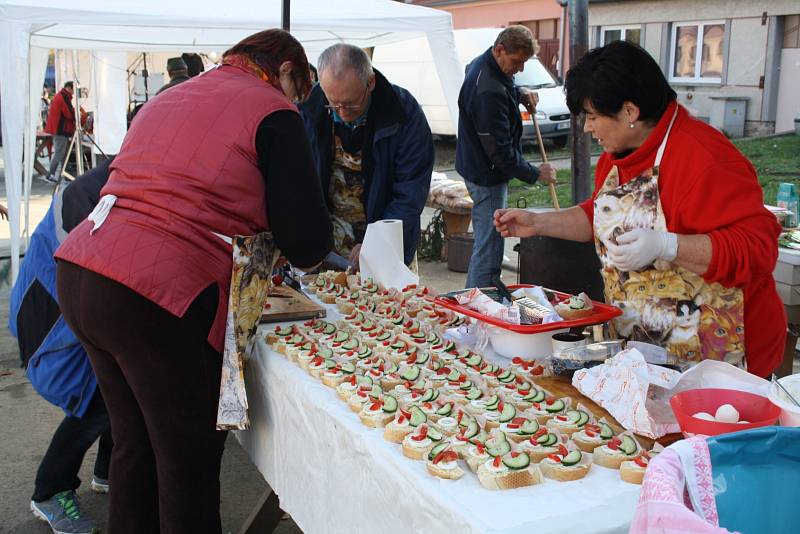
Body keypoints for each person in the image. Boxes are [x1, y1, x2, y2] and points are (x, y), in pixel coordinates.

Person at [54, 29, 333, 533]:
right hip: (154, 292)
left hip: (84, 266)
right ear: (288, 71)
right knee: (187, 461)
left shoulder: (175, 95)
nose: (298, 102)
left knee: (134, 443)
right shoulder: (272, 108)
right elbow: (307, 241)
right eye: (302, 90)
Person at [494, 40, 785, 377]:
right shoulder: (619, 153)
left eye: (592, 116)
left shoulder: (705, 159)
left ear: (629, 111)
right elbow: (603, 214)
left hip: (719, 358)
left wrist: (667, 245)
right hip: (647, 346)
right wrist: (540, 223)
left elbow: (759, 249)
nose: (587, 128)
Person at [10, 161, 115, 534]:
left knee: (122, 384)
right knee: (97, 400)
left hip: (71, 305)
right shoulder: (93, 193)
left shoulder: (126, 175)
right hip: (51, 314)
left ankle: (108, 469)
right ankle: (50, 489)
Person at [300, 43, 434, 268]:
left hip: (387, 238)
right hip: (327, 243)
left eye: (351, 105)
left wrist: (378, 241)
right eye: (334, 105)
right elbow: (300, 179)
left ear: (370, 83)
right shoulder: (310, 107)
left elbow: (410, 192)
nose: (343, 114)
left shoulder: (403, 113)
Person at [456, 25, 557, 289]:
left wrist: (518, 93)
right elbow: (499, 151)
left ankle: (484, 292)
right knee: (490, 240)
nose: (520, 69)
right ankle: (481, 298)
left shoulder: (486, 65)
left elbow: (500, 82)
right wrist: (535, 173)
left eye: (524, 63)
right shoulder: (487, 90)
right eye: (517, 62)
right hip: (486, 173)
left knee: (489, 238)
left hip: (480, 166)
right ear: (500, 50)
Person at [44, 81, 84, 184]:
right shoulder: (63, 97)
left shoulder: (60, 96)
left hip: (59, 129)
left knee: (63, 154)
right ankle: (50, 174)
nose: (73, 94)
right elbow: (69, 113)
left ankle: (64, 175)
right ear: (69, 88)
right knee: (59, 153)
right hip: (60, 130)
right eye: (73, 90)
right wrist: (78, 113)